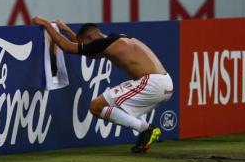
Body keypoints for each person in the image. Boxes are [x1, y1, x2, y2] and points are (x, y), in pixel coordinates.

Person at [32, 16, 173, 153]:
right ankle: (146, 132)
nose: (87, 49)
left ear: (91, 38)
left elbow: (67, 47)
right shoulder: (116, 39)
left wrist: (45, 24)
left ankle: (146, 130)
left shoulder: (105, 44)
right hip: (166, 83)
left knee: (96, 107)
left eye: (86, 43)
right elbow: (87, 50)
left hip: (152, 83)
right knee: (121, 109)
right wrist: (65, 29)